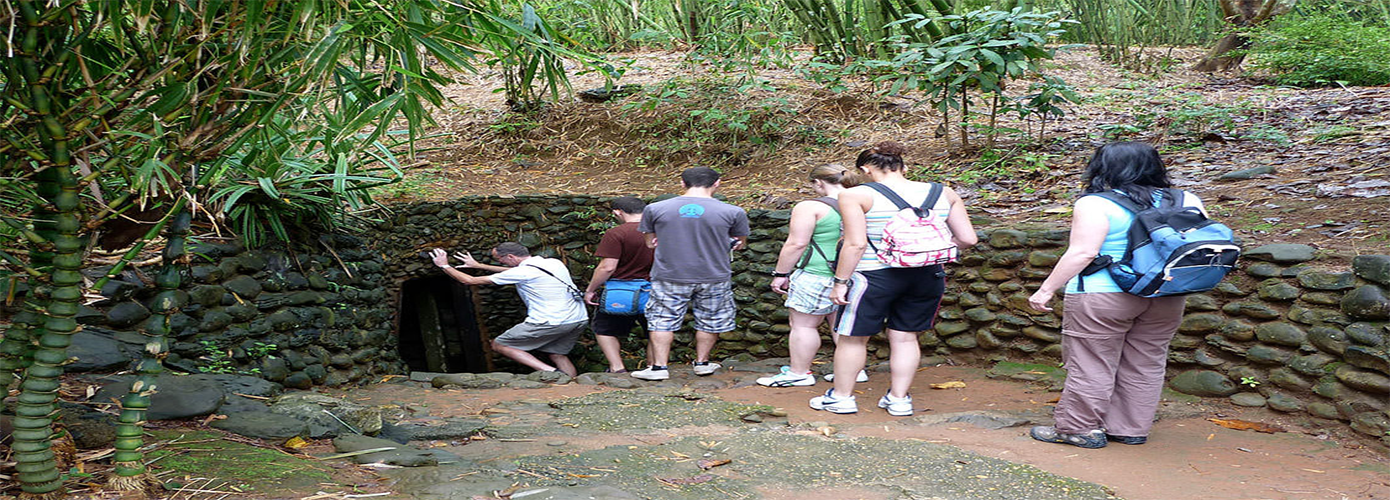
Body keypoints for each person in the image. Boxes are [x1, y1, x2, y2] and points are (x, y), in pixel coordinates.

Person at [1026, 141, 1201, 448]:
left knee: (1091, 362)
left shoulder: (1095, 203)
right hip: (1166, 293)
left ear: (1104, 167)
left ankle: (1078, 428)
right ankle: (1130, 428)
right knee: (1147, 361)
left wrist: (1046, 289)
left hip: (1104, 294)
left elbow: (1083, 252)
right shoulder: (1187, 199)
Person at [815, 142, 977, 416]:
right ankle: (899, 399)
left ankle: (842, 397)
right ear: (904, 166)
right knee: (904, 337)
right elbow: (968, 239)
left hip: (873, 276)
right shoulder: (942, 192)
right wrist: (923, 251)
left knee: (853, 338)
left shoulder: (856, 195)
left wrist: (840, 281)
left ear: (866, 169)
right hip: (927, 274)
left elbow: (855, 244)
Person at [631, 167, 750, 381]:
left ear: (683, 184)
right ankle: (702, 363)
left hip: (669, 274)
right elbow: (740, 244)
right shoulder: (733, 211)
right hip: (714, 274)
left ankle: (659, 368)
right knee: (710, 319)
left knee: (662, 319)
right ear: (717, 183)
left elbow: (649, 243)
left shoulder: (655, 208)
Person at [758, 165, 867, 387]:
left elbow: (797, 243)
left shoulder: (810, 207)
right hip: (855, 273)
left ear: (818, 183)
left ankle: (799, 372)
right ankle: (855, 371)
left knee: (803, 325)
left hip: (817, 272)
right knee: (842, 326)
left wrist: (781, 273)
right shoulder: (865, 201)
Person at [429, 243, 588, 377]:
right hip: (578, 318)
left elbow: (469, 280)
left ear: (511, 257)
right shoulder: (553, 263)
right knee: (557, 354)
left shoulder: (523, 272)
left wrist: (444, 265)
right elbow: (514, 273)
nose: (501, 262)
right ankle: (573, 386)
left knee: (500, 345)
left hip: (551, 321)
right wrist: (479, 265)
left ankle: (551, 373)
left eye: (500, 259)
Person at [583, 196, 655, 373]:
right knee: (655, 330)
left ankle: (617, 368)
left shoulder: (616, 233)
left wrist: (590, 290)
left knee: (604, 329)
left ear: (618, 212)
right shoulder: (660, 232)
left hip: (621, 290)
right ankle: (654, 367)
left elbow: (607, 267)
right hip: (654, 290)